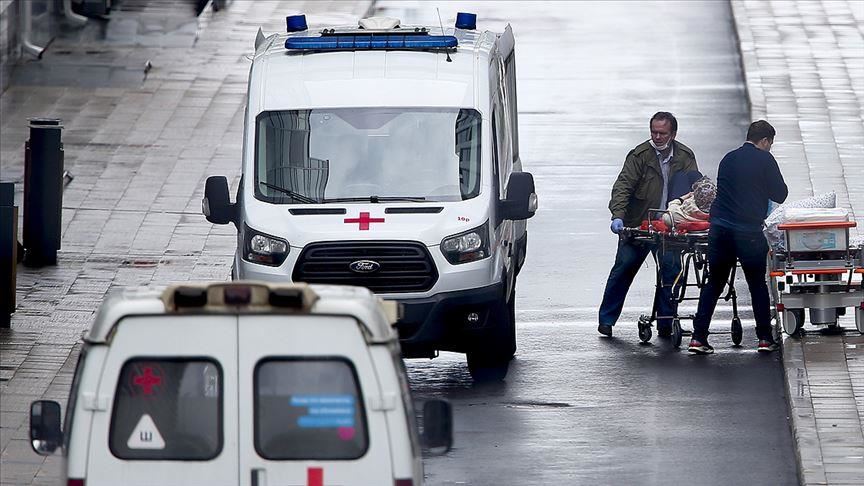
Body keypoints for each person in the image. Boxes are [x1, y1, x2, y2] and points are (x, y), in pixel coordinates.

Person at [688, 120, 788, 354]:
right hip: (748, 232)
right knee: (757, 284)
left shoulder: (728, 158)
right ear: (765, 141)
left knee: (714, 282)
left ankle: (698, 338)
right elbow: (780, 194)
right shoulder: (765, 159)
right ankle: (764, 338)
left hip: (720, 229)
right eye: (770, 144)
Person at [599, 112, 699, 337]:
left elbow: (693, 189)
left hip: (670, 226)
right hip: (639, 224)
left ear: (673, 134)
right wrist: (618, 216)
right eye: (654, 132)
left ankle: (666, 321)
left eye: (662, 133)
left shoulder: (684, 156)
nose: (657, 137)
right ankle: (606, 319)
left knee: (671, 272)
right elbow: (623, 186)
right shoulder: (640, 156)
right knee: (624, 267)